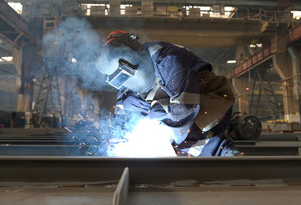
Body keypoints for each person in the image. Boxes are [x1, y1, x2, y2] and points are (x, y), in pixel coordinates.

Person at [96, 30, 241, 156]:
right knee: (137, 109)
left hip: (212, 101)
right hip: (177, 106)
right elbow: (123, 104)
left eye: (127, 73)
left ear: (134, 56)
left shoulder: (170, 60)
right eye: (121, 79)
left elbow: (185, 111)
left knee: (174, 134)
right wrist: (121, 133)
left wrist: (158, 127)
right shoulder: (125, 78)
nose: (126, 81)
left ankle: (222, 151)